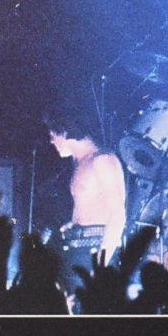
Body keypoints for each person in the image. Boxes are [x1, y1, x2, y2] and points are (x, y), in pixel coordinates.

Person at [45, 108, 127, 290]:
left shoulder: (103, 160)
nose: (51, 141)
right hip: (76, 251)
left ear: (64, 132)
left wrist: (101, 264)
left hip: (96, 251)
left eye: (52, 135)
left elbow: (118, 215)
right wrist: (74, 224)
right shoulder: (80, 163)